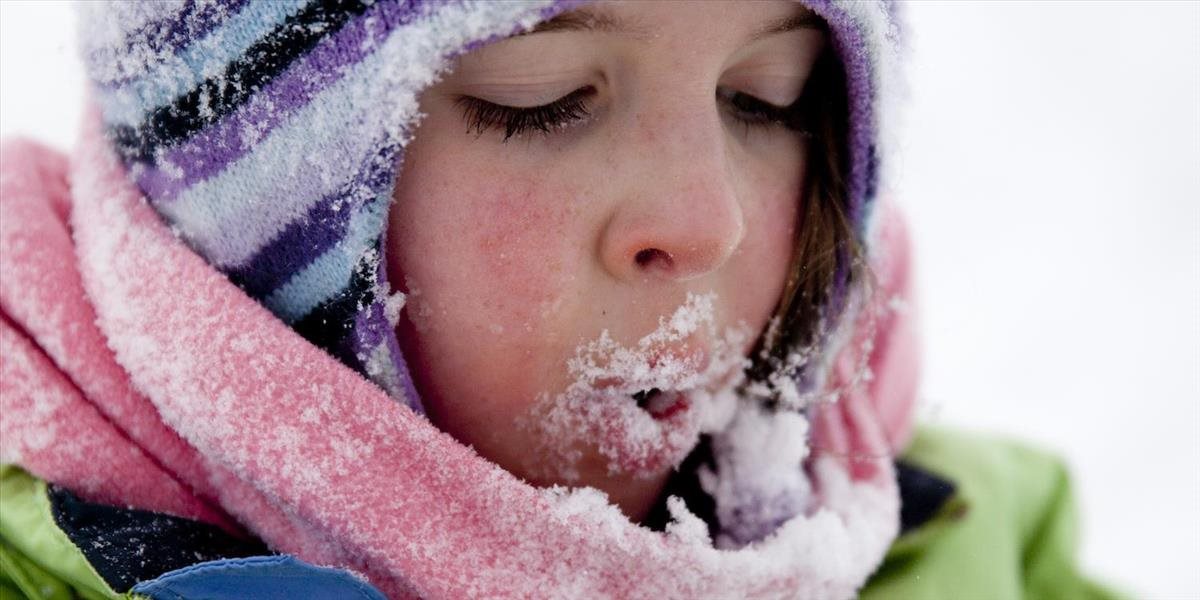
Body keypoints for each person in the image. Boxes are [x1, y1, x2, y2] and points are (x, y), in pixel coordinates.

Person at [0, 1, 1119, 598]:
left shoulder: (971, 549)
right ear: (259, 196)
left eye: (765, 98)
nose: (706, 220)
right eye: (541, 100)